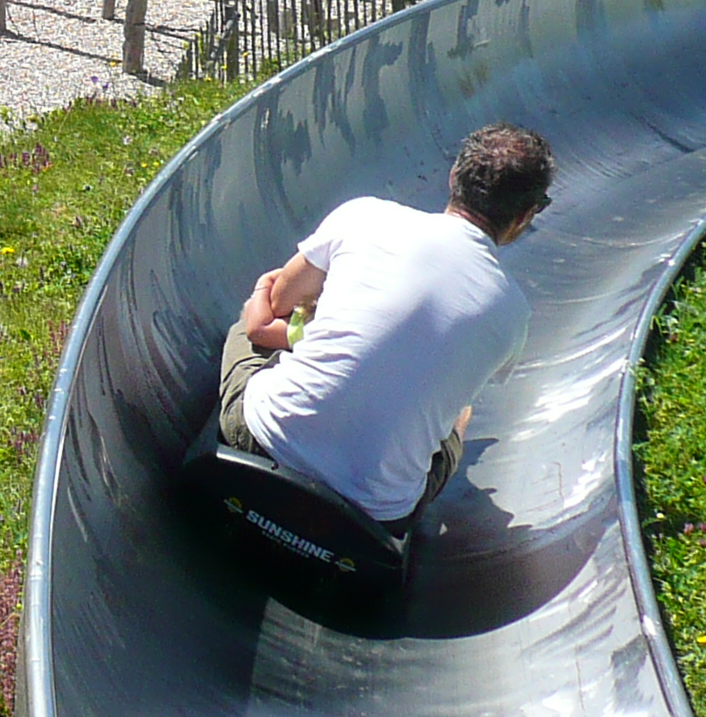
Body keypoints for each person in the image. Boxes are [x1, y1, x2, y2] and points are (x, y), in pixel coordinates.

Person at [216, 124, 552, 526]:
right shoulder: (513, 315)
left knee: (248, 325)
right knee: (457, 416)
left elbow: (278, 301)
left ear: (453, 177)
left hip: (261, 444)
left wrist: (297, 305)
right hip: (373, 516)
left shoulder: (366, 216)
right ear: (524, 215)